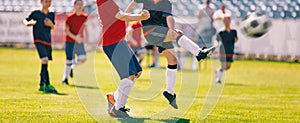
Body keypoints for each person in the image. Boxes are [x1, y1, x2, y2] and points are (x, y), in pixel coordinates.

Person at [125, 0, 216, 109]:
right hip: (150, 32)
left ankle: (169, 92)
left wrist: (172, 31)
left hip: (163, 32)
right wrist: (126, 15)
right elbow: (133, 3)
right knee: (175, 35)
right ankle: (199, 52)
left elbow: (169, 18)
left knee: (173, 61)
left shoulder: (166, 3)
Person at [96, 0, 150, 118]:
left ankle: (114, 98)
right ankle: (118, 109)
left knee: (137, 72)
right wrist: (140, 16)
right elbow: (121, 16)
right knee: (128, 75)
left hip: (120, 41)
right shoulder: (106, 1)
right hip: (113, 43)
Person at [23, 0, 57, 93]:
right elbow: (26, 20)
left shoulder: (51, 14)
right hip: (39, 40)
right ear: (41, 2)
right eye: (46, 1)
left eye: (49, 1)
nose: (48, 3)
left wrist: (51, 24)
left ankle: (42, 84)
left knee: (45, 62)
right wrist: (28, 23)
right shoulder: (36, 13)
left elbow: (53, 26)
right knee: (44, 59)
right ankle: (47, 84)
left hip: (47, 41)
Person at [62, 0, 88, 85]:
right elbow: (66, 31)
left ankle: (72, 67)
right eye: (78, 4)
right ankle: (65, 79)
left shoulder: (85, 17)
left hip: (79, 42)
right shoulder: (70, 17)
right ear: (74, 5)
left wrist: (85, 40)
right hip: (70, 42)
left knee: (83, 58)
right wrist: (75, 37)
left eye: (81, 4)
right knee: (68, 60)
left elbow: (86, 29)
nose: (80, 6)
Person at [215, 16, 238, 84]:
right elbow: (217, 40)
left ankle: (218, 71)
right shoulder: (221, 32)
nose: (227, 22)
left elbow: (236, 39)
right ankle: (218, 80)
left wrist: (235, 40)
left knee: (228, 66)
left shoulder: (234, 31)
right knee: (224, 65)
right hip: (223, 50)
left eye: (228, 20)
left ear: (230, 21)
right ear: (223, 22)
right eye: (225, 20)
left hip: (230, 50)